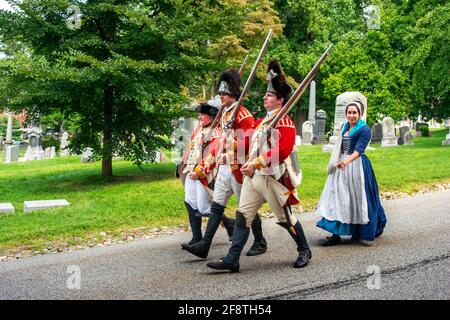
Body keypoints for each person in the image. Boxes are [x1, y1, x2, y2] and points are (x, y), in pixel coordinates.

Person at [206, 60, 311, 273]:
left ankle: (304, 249)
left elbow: (281, 152)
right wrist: (239, 155)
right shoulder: (262, 122)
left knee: (285, 218)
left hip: (273, 178)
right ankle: (232, 259)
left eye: (269, 95)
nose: (264, 97)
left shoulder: (285, 122)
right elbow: (248, 143)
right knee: (243, 215)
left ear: (280, 100)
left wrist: (255, 163)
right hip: (254, 176)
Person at [182, 68, 268, 259]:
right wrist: (207, 163)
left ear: (233, 93)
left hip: (239, 168)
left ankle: (260, 241)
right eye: (220, 92)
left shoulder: (243, 114)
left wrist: (232, 144)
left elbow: (250, 140)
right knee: (216, 207)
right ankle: (205, 244)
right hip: (224, 167)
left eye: (224, 92)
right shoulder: (224, 114)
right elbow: (219, 142)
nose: (220, 95)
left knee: (245, 207)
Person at [316, 100, 387, 246]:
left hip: (356, 167)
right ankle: (335, 234)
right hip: (341, 166)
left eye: (355, 112)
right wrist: (337, 159)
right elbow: (341, 146)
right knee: (336, 197)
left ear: (360, 114)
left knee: (358, 199)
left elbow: (359, 150)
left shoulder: (364, 129)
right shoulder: (345, 126)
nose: (351, 115)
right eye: (349, 112)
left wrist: (346, 162)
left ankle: (364, 231)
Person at [178, 102, 233, 248]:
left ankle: (230, 223)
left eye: (202, 114)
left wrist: (199, 171)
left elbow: (211, 155)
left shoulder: (216, 132)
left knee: (203, 208)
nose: (199, 117)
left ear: (212, 116)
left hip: (204, 173)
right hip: (190, 170)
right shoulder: (198, 130)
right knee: (190, 202)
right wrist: (181, 163)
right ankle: (196, 237)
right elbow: (190, 148)